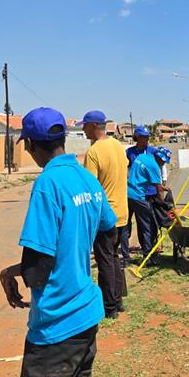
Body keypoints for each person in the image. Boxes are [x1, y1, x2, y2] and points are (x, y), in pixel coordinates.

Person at [0, 107, 116, 377]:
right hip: (86, 314)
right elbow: (108, 227)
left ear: (30, 144)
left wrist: (8, 273)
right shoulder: (87, 178)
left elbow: (37, 269)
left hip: (57, 325)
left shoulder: (47, 183)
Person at [80, 110, 128, 319]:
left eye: (84, 126)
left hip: (105, 216)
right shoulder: (118, 146)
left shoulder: (94, 152)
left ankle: (109, 308)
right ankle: (117, 301)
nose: (82, 129)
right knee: (114, 257)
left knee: (105, 260)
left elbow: (90, 188)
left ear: (93, 126)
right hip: (123, 213)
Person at [121, 126, 157, 262]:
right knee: (126, 224)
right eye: (143, 137)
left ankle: (147, 252)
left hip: (149, 193)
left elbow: (161, 166)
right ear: (137, 137)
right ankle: (125, 257)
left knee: (147, 225)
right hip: (133, 193)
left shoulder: (152, 151)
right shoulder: (129, 152)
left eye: (147, 137)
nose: (146, 140)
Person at [125, 147, 165, 265]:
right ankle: (148, 256)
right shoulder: (154, 167)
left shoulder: (142, 157)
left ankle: (125, 256)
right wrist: (163, 206)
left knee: (127, 225)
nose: (164, 164)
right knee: (148, 225)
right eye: (164, 161)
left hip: (128, 193)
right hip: (138, 196)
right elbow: (159, 190)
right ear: (159, 158)